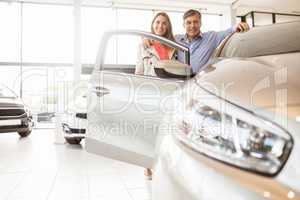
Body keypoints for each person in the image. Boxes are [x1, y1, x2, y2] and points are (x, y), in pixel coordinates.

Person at [176, 9, 250, 73]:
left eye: (195, 22)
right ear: (183, 25)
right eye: (188, 23)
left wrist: (238, 25)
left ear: (200, 23)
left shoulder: (211, 37)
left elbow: (228, 32)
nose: (192, 26)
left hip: (201, 82)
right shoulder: (177, 39)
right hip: (182, 82)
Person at [135, 12, 177, 76]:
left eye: (164, 23)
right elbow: (138, 73)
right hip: (151, 84)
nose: (160, 26)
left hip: (169, 84)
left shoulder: (173, 46)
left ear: (168, 27)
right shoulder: (143, 45)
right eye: (157, 22)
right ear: (153, 24)